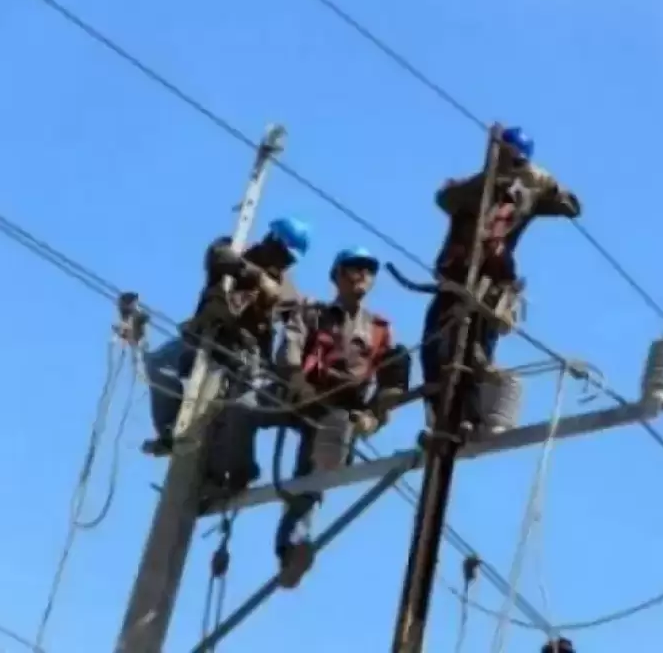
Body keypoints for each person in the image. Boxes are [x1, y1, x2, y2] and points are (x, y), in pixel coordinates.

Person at [421, 125, 580, 434]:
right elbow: (444, 198)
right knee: (435, 349)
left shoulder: (524, 196)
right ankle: (440, 416)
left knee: (475, 353)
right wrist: (488, 180)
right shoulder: (471, 190)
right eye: (504, 158)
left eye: (515, 161)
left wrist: (545, 182)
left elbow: (572, 206)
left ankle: (468, 419)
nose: (509, 166)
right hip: (454, 283)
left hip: (490, 288)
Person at [266, 246, 410, 587]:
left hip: (342, 411)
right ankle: (229, 470)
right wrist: (299, 386)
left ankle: (292, 548)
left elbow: (390, 385)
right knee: (240, 409)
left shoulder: (379, 330)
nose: (362, 275)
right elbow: (289, 353)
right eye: (354, 268)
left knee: (314, 469)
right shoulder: (313, 314)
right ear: (337, 275)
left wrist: (373, 418)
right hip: (303, 396)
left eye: (368, 270)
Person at [141, 216, 311, 467]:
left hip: (240, 353)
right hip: (203, 337)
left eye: (289, 260)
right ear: (271, 240)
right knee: (159, 363)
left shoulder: (286, 289)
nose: (283, 263)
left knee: (235, 409)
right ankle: (170, 429)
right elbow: (218, 255)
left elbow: (298, 320)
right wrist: (256, 277)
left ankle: (231, 468)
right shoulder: (236, 248)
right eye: (282, 254)